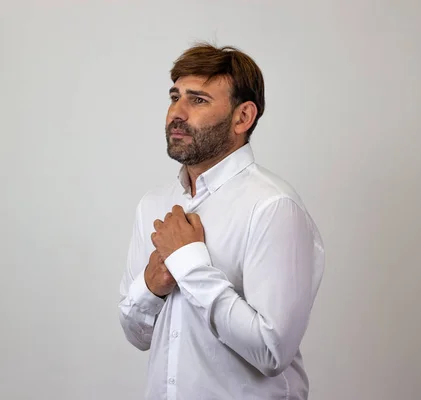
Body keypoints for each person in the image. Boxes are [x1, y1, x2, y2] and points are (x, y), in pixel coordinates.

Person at [118, 43, 325, 400]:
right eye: (175, 96)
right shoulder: (153, 204)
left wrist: (188, 263)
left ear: (242, 117)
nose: (176, 113)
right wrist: (152, 287)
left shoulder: (273, 206)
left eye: (197, 100)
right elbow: (137, 336)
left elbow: (271, 351)